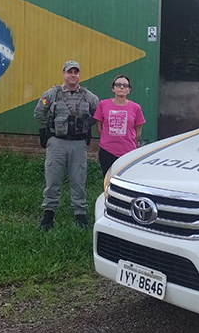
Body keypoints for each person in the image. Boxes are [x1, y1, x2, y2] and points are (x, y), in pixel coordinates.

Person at [34, 60, 99, 231]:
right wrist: (53, 125)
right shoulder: (52, 94)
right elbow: (39, 112)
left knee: (79, 179)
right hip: (56, 143)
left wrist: (85, 125)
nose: (73, 75)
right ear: (63, 73)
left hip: (78, 144)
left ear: (79, 75)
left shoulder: (88, 96)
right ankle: (48, 214)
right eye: (69, 72)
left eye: (76, 72)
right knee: (52, 179)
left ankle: (80, 214)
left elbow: (98, 113)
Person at [93, 74, 146, 177]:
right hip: (107, 151)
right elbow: (99, 127)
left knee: (126, 179)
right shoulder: (103, 104)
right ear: (113, 88)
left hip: (128, 152)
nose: (121, 87)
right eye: (118, 85)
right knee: (108, 180)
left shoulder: (136, 107)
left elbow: (138, 130)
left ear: (129, 90)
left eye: (125, 85)